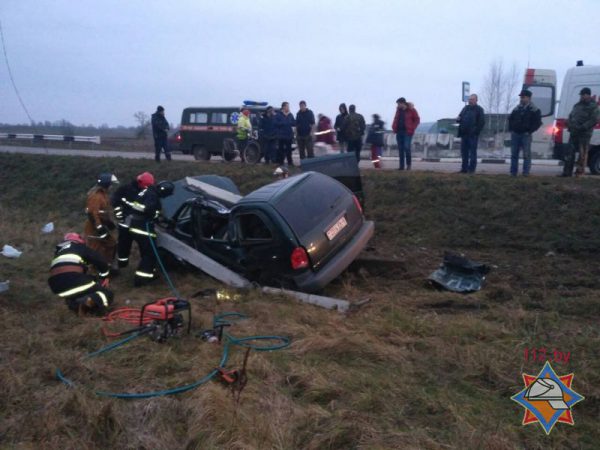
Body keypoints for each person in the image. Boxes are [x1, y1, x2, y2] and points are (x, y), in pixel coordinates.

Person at [118, 172, 174, 286]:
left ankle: (148, 274)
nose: (165, 198)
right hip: (142, 228)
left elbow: (146, 209)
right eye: (166, 195)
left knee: (146, 253)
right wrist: (155, 216)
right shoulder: (153, 196)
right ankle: (141, 280)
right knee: (150, 254)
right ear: (163, 191)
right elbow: (148, 210)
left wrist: (164, 219)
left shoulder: (148, 192)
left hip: (136, 226)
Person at [48, 232, 113, 315]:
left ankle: (75, 305)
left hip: (56, 287)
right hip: (73, 279)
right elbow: (99, 260)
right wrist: (104, 276)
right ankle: (90, 302)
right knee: (106, 293)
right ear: (79, 240)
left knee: (82, 288)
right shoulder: (78, 247)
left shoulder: (59, 252)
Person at [561, 87, 600, 177]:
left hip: (584, 134)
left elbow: (594, 119)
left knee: (582, 154)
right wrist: (569, 123)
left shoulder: (593, 106)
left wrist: (582, 127)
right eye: (581, 95)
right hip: (574, 132)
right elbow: (571, 115)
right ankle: (567, 172)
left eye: (583, 95)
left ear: (588, 95)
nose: (581, 96)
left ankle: (580, 172)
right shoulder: (577, 105)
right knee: (569, 153)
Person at [84, 173, 118, 269]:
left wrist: (109, 223)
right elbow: (92, 214)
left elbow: (102, 212)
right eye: (111, 184)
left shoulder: (103, 195)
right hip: (94, 227)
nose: (112, 187)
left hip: (101, 225)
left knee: (112, 243)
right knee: (94, 249)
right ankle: (92, 272)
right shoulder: (96, 196)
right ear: (106, 184)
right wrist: (99, 228)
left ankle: (107, 266)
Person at [508, 89, 542, 177]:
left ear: (529, 98)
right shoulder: (516, 108)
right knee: (514, 154)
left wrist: (529, 131)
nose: (521, 99)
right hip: (515, 134)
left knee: (526, 155)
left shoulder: (534, 109)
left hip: (526, 135)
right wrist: (511, 129)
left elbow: (537, 123)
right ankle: (513, 172)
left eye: (523, 97)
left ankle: (525, 173)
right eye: (521, 97)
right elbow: (510, 119)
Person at [111, 176, 141, 269]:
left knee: (142, 244)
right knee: (124, 244)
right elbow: (114, 200)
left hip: (138, 222)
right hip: (126, 222)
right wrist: (118, 212)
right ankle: (122, 264)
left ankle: (143, 262)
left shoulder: (146, 189)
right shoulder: (125, 189)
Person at [457, 94, 485, 174]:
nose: (470, 101)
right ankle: (464, 169)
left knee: (472, 153)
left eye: (472, 99)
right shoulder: (465, 108)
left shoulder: (479, 109)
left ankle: (471, 170)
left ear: (476, 100)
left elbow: (481, 122)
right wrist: (458, 119)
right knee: (464, 153)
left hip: (472, 135)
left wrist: (476, 131)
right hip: (464, 134)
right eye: (469, 99)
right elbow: (460, 117)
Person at [392, 97, 420, 170]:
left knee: (407, 148)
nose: (398, 105)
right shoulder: (398, 111)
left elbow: (417, 119)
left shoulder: (411, 110)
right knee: (400, 149)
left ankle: (408, 165)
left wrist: (412, 127)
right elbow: (395, 119)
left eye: (398, 104)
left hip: (407, 132)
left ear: (403, 103)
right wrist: (394, 127)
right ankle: (401, 167)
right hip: (399, 132)